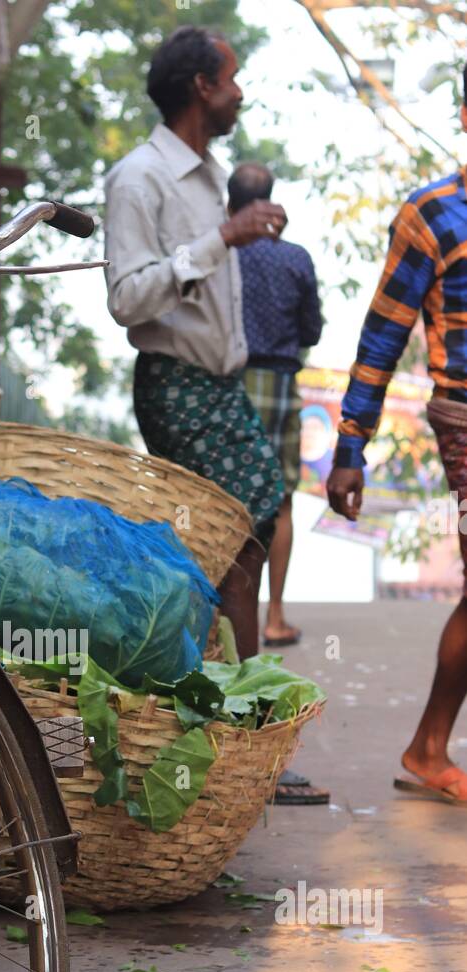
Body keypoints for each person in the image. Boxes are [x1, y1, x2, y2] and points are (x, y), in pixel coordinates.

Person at [103, 24, 287, 660]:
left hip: (219, 385)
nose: (240, 93)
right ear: (202, 86)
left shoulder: (210, 176)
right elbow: (126, 300)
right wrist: (222, 240)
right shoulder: (139, 177)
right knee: (233, 538)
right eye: (231, 79)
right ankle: (230, 706)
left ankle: (233, 703)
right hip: (177, 384)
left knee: (244, 534)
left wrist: (231, 236)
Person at [329, 63, 467, 806]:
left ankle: (427, 746)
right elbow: (383, 335)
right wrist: (351, 446)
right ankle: (428, 747)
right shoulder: (433, 214)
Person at [228, 161, 323, 648]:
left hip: (233, 381)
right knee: (280, 500)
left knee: (230, 499)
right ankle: (275, 617)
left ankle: (225, 620)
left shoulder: (223, 255)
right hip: (283, 382)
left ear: (230, 202)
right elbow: (311, 330)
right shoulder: (296, 259)